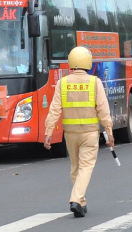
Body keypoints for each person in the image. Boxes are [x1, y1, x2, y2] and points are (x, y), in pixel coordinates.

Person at [44, 46, 114, 218]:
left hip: (70, 134)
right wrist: (109, 131)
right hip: (89, 133)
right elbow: (103, 110)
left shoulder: (63, 83)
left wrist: (48, 132)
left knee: (75, 168)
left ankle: (81, 203)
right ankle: (75, 199)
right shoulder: (94, 82)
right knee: (86, 167)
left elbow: (54, 109)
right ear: (87, 62)